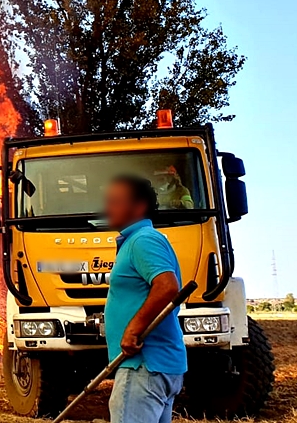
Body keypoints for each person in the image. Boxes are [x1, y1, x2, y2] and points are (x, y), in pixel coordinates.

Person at [103, 176, 186, 423]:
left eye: (115, 202)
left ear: (138, 207)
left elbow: (167, 286)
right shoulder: (137, 241)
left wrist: (133, 329)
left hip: (142, 365)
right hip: (155, 365)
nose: (108, 208)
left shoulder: (143, 240)